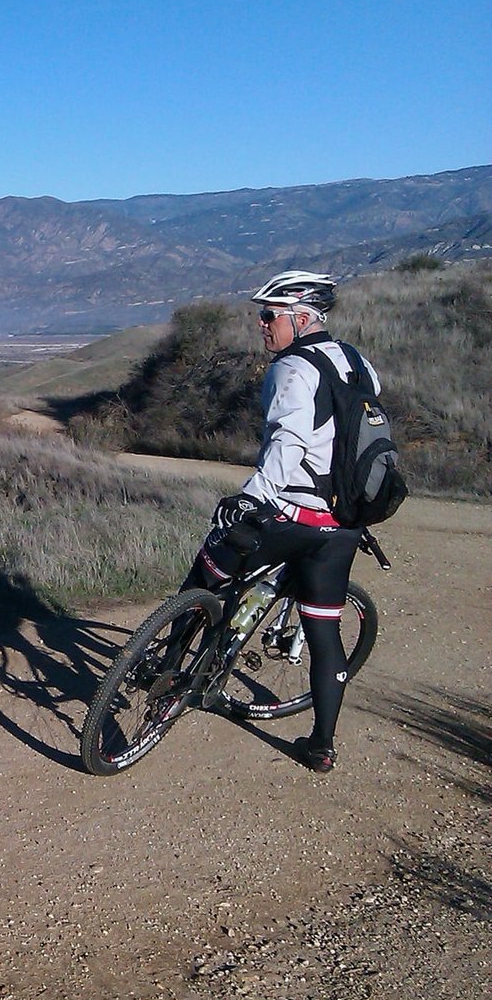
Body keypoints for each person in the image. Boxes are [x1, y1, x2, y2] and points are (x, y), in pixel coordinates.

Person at [186, 270, 381, 773]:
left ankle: (165, 665)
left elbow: (287, 443)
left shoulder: (292, 368)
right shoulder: (359, 363)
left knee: (210, 567)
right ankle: (321, 746)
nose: (261, 324)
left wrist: (252, 497)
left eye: (269, 315)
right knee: (324, 633)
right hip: (341, 525)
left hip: (292, 514)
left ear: (301, 318)